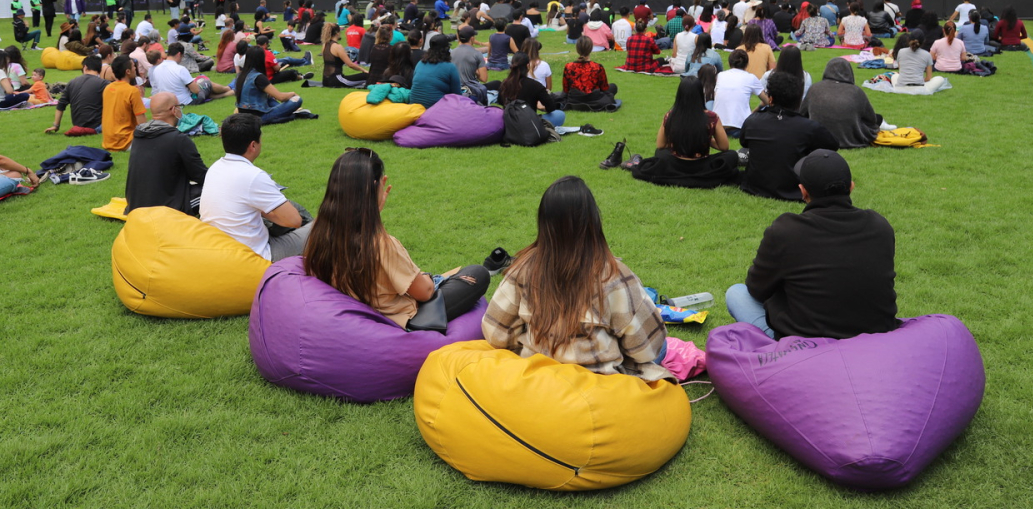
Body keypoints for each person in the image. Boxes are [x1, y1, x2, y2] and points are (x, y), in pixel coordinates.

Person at [483, 176, 669, 381]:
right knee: (662, 346)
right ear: (593, 221)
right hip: (597, 384)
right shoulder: (614, 275)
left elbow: (495, 333)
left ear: (544, 222)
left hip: (538, 379)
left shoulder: (523, 269)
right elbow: (646, 348)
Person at [726, 149, 899, 340]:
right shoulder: (880, 225)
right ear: (851, 187)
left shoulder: (786, 230)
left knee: (736, 293)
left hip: (806, 344)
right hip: (875, 335)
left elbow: (756, 289)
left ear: (803, 191)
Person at [304, 148, 487, 327]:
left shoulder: (319, 231)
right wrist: (428, 280)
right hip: (399, 317)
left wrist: (371, 211)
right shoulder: (381, 244)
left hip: (353, 307)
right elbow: (425, 293)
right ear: (375, 187)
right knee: (478, 273)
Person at [199, 113, 314, 260]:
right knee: (325, 227)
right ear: (253, 145)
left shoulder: (216, 167)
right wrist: (264, 210)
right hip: (256, 255)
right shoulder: (253, 176)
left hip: (220, 250)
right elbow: (293, 221)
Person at [739, 71, 839, 202]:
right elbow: (832, 146)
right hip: (793, 189)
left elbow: (744, 143)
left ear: (771, 98)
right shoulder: (810, 127)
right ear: (799, 99)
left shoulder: (752, 121)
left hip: (754, 186)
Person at [623, 76, 739, 188]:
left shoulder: (671, 115)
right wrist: (704, 139)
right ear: (700, 94)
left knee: (660, 154)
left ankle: (677, 173)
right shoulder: (711, 117)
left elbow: (661, 145)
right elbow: (724, 147)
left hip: (676, 163)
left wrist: (681, 140)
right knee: (731, 155)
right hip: (702, 165)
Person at [124, 92, 208, 215]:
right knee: (215, 190)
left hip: (135, 206)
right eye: (180, 107)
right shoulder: (179, 139)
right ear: (174, 110)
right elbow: (201, 176)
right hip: (166, 209)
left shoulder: (139, 135)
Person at [801, 57, 881, 149]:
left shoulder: (815, 88)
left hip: (817, 137)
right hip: (851, 139)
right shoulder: (856, 92)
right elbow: (871, 119)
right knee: (877, 119)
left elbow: (802, 114)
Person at [149, 42, 234, 106]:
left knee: (201, 86)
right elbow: (196, 90)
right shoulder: (180, 69)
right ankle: (227, 89)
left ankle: (229, 92)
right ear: (179, 54)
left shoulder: (156, 69)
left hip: (168, 102)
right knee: (204, 81)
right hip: (187, 101)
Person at [235, 47, 303, 125]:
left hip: (244, 115)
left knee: (269, 98)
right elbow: (281, 97)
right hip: (259, 117)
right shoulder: (258, 77)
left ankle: (284, 110)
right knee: (297, 100)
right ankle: (286, 111)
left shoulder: (240, 75)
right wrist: (293, 93)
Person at [497, 52, 565, 128]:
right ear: (528, 66)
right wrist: (541, 107)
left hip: (509, 122)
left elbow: (500, 101)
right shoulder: (535, 85)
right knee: (560, 115)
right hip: (529, 123)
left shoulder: (504, 84)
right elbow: (551, 107)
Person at [45, 56, 107, 134]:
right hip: (97, 126)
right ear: (100, 69)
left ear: (85, 67)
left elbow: (61, 104)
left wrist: (56, 125)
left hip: (77, 125)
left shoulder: (72, 82)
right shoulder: (104, 84)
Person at [713, 49, 768, 134]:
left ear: (729, 63)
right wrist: (754, 112)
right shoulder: (751, 78)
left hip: (717, 126)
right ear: (747, 64)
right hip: (739, 128)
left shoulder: (720, 75)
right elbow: (767, 101)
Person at [101, 56, 146, 151]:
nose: (135, 68)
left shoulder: (108, 88)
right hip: (126, 142)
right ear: (128, 71)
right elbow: (142, 124)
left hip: (108, 141)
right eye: (133, 66)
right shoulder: (132, 91)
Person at [562, 36, 619, 107]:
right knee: (613, 87)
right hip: (593, 98)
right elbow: (604, 88)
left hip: (575, 98)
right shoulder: (597, 67)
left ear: (577, 49)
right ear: (591, 48)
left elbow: (566, 89)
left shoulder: (569, 66)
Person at [409, 34, 461, 109]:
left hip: (414, 109)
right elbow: (457, 97)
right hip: (435, 112)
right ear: (447, 49)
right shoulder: (450, 67)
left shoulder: (420, 63)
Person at [320, 22, 368, 87]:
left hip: (325, 80)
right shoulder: (337, 47)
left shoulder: (324, 45)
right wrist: (363, 70)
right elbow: (350, 64)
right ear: (337, 33)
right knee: (367, 76)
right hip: (337, 80)